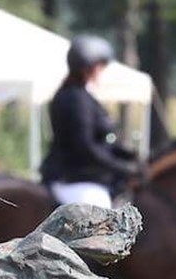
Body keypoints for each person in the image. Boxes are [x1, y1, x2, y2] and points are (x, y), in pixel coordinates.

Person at [39, 35, 143, 209]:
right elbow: (86, 146)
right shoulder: (76, 99)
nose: (101, 71)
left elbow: (103, 141)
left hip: (83, 176)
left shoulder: (78, 95)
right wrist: (122, 167)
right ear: (91, 67)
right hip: (77, 181)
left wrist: (129, 157)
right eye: (100, 66)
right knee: (101, 215)